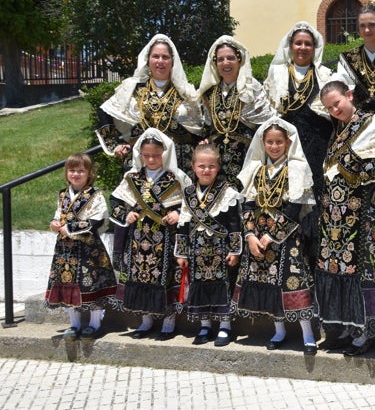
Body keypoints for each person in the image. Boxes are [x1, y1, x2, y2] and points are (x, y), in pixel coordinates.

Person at [315, 80, 375, 356]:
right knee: (341, 269)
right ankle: (348, 325)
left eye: (337, 103)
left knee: (364, 269)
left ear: (349, 94)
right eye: (329, 108)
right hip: (337, 215)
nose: (335, 110)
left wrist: (355, 170)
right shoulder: (339, 130)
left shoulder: (371, 123)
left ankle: (366, 330)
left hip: (366, 211)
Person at [232, 118, 318, 355]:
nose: (274, 146)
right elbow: (248, 204)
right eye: (269, 142)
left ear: (288, 142)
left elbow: (294, 208)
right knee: (267, 282)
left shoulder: (296, 169)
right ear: (263, 142)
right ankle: (278, 331)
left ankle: (307, 334)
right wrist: (250, 235)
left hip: (286, 237)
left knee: (293, 280)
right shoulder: (255, 170)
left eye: (279, 142)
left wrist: (271, 236)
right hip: (257, 236)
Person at [109, 128, 192, 340]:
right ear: (140, 155)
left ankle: (168, 320)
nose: (152, 159)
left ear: (165, 153)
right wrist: (126, 214)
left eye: (156, 155)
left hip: (166, 238)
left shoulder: (177, 177)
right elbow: (116, 202)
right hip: (138, 238)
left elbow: (192, 204)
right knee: (141, 277)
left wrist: (176, 213)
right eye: (147, 155)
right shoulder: (133, 177)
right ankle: (145, 320)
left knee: (166, 278)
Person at [264, 22, 333, 259]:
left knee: (316, 199)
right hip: (287, 148)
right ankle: (289, 262)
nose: (303, 47)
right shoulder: (278, 74)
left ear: (314, 48)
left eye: (308, 44)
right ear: (290, 46)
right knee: (289, 196)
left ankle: (316, 263)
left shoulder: (324, 75)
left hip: (317, 147)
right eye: (298, 43)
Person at [97, 34, 202, 171]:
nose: (160, 61)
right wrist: (115, 144)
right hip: (142, 160)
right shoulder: (133, 88)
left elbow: (198, 127)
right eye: (156, 56)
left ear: (172, 61)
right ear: (148, 59)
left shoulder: (185, 91)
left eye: (165, 57)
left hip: (179, 162)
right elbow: (105, 111)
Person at [175, 143, 244, 346]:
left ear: (219, 166)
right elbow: (183, 224)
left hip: (220, 250)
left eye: (211, 166)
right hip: (196, 250)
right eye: (202, 166)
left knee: (223, 287)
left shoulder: (227, 192)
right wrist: (181, 253)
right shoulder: (188, 193)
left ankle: (225, 327)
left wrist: (235, 250)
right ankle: (204, 325)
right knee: (200, 286)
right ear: (193, 166)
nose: (206, 170)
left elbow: (234, 223)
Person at [45, 153, 116, 340]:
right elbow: (58, 214)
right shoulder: (63, 194)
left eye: (81, 170)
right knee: (67, 283)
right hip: (65, 249)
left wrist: (68, 228)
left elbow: (95, 221)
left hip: (88, 249)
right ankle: (74, 324)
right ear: (66, 172)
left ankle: (94, 324)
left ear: (89, 173)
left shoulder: (96, 195)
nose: (76, 174)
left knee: (91, 284)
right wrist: (54, 223)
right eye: (72, 170)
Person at [197, 35, 277, 189]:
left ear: (239, 61)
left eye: (230, 58)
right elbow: (206, 128)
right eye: (220, 59)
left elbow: (267, 122)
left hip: (247, 156)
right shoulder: (209, 93)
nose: (225, 63)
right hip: (216, 160)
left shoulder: (251, 88)